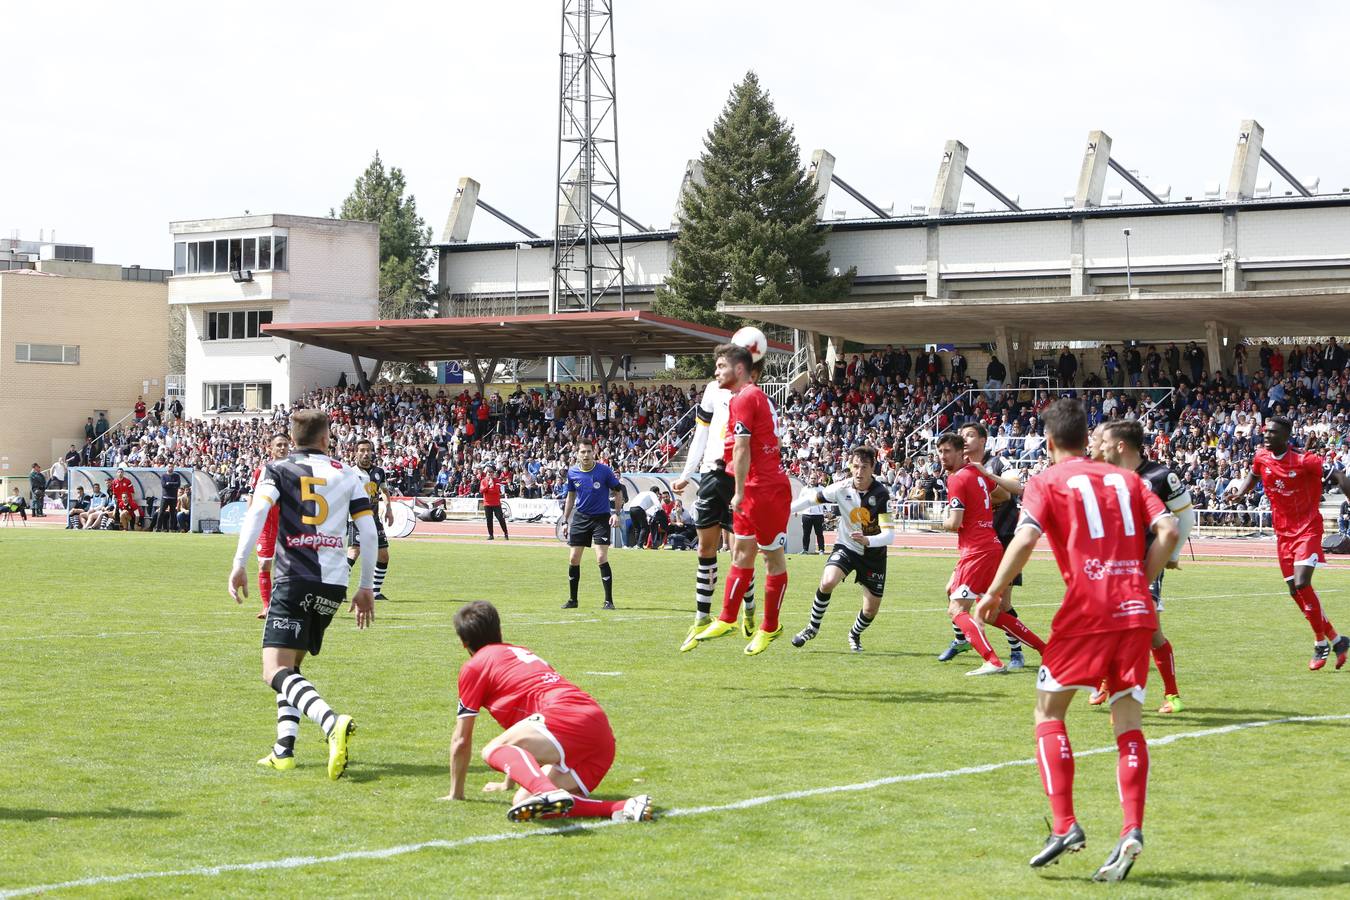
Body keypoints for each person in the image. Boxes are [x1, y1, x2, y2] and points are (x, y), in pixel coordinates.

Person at [976, 398, 1178, 881]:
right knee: (1128, 722)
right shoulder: (1130, 479)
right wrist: (1139, 582)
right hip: (1134, 612)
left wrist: (993, 591)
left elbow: (1024, 540)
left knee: (1049, 712)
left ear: (1048, 442)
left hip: (1087, 609)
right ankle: (1131, 828)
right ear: (1088, 438)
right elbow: (1168, 530)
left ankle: (1065, 824)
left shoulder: (1047, 480)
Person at [227, 408, 377, 778]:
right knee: (292, 667)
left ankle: (330, 723)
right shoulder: (348, 474)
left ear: (292, 440)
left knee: (273, 669)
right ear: (326, 438)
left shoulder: (277, 469)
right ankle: (284, 749)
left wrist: (239, 563)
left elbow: (257, 514)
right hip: (334, 583)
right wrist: (366, 588)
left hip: (294, 577)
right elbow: (369, 534)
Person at [443, 600, 652, 823]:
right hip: (598, 733)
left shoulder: (475, 666)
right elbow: (526, 732)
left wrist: (456, 794)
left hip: (564, 717)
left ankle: (547, 791)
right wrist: (507, 784)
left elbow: (462, 739)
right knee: (524, 801)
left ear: (464, 643)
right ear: (499, 631)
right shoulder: (520, 652)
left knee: (493, 749)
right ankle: (625, 806)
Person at [689, 343, 792, 655]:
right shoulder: (741, 398)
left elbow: (743, 447)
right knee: (740, 552)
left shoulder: (747, 397)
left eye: (721, 366)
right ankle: (727, 617)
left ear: (738, 369)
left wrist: (739, 491)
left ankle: (770, 626)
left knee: (771, 557)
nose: (716, 372)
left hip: (765, 489)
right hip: (752, 486)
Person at [1226, 416, 1350, 670]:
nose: (1266, 435)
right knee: (1294, 590)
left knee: (1303, 582)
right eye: (1265, 431)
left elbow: (1337, 474)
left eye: (1272, 432)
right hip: (1283, 534)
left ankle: (1320, 643)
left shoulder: (1306, 461)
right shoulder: (1262, 457)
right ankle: (1337, 640)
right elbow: (1253, 475)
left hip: (1307, 530)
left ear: (1286, 436)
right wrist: (1240, 493)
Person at [1089, 420, 1196, 713]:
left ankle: (1172, 695)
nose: (1099, 446)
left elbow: (1185, 517)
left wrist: (1171, 553)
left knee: (1147, 630)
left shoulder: (1160, 476)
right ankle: (1109, 683)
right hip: (1109, 565)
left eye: (1103, 441)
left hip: (1145, 562)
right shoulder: (1104, 475)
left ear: (1120, 445)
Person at [671, 336, 764, 649]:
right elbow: (701, 434)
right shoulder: (712, 391)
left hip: (742, 475)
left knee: (740, 550)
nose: (717, 370)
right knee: (705, 548)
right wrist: (686, 475)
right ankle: (701, 617)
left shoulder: (754, 394)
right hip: (713, 473)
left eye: (722, 364)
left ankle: (749, 609)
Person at [937, 433, 1045, 675]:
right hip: (991, 545)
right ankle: (1045, 650)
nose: (943, 457)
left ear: (959, 452)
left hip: (976, 551)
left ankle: (992, 660)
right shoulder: (977, 473)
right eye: (940, 452)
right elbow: (1003, 495)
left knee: (956, 609)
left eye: (947, 452)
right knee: (994, 613)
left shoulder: (956, 478)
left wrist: (940, 521)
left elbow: (954, 522)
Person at [788, 446, 894, 652]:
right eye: (855, 466)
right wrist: (786, 509)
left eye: (864, 467)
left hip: (873, 555)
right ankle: (812, 627)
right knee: (827, 582)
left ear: (873, 468)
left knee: (870, 609)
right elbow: (812, 499)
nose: (859, 472)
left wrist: (868, 541)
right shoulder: (840, 488)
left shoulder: (881, 495)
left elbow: (889, 535)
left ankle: (854, 634)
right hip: (847, 546)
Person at [560, 438, 622, 610]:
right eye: (582, 451)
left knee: (601, 557)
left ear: (594, 452)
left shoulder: (604, 471)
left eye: (588, 451)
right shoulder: (572, 473)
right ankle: (573, 600)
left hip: (601, 518)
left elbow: (618, 491)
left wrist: (616, 514)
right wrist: (565, 520)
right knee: (573, 559)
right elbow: (570, 497)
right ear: (577, 453)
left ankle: (608, 601)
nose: (586, 455)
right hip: (580, 517)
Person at [347, 438, 395, 601]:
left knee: (383, 555)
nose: (366, 453)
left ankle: (375, 591)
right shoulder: (350, 472)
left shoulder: (379, 472)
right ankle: (339, 590)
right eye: (362, 450)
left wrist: (388, 510)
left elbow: (384, 491)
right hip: (357, 518)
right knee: (354, 552)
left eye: (368, 450)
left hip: (374, 519)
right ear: (356, 453)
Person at [251, 433, 292, 618]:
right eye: (279, 445)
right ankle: (267, 605)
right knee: (264, 564)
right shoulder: (261, 471)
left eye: (285, 445)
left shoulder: (295, 471)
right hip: (267, 523)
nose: (282, 448)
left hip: (287, 523)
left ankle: (287, 604)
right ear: (271, 449)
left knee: (291, 567)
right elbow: (252, 496)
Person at [799, 475, 827, 555]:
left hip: (818, 514)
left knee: (819, 533)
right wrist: (797, 510)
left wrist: (827, 511)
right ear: (809, 479)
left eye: (814, 478)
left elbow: (826, 500)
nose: (813, 480)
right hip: (806, 514)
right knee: (806, 533)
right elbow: (800, 501)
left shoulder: (821, 489)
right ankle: (805, 550)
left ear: (817, 479)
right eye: (811, 478)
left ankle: (821, 550)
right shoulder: (804, 489)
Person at [480, 466, 509, 541]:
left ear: (493, 474)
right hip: (487, 503)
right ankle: (491, 535)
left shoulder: (497, 481)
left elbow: (496, 491)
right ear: (486, 474)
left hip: (496, 503)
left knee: (500, 518)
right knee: (489, 520)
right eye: (488, 473)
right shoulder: (483, 481)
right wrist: (488, 486)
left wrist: (489, 489)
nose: (490, 475)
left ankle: (505, 533)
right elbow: (482, 490)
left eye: (491, 473)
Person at [155, 463, 183, 532]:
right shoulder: (163, 476)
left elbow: (178, 484)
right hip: (165, 497)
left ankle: (172, 528)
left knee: (172, 514)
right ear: (167, 467)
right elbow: (164, 485)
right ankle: (158, 528)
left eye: (172, 467)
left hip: (173, 497)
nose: (171, 468)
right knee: (161, 512)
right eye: (169, 467)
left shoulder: (176, 476)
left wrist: (169, 483)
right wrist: (172, 484)